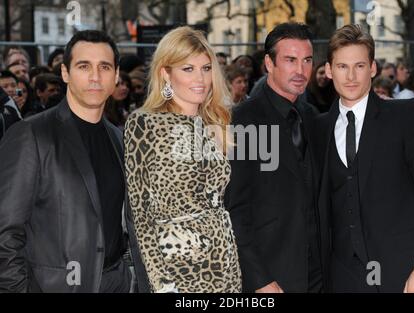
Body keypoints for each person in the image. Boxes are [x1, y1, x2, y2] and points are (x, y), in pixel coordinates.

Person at [0, 30, 149, 293]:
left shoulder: (120, 138)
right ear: (65, 73)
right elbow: (6, 232)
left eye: (104, 67)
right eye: (84, 66)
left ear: (115, 76)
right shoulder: (31, 134)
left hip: (117, 283)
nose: (95, 76)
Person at [316, 24, 414, 293]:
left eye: (360, 66)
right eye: (342, 66)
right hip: (344, 278)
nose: (351, 76)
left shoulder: (406, 115)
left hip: (408, 272)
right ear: (329, 70)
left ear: (373, 68)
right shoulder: (317, 128)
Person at [124, 26, 242, 293]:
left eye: (206, 68)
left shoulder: (214, 123)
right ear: (166, 73)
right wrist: (160, 282)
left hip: (223, 263)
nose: (200, 78)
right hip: (176, 269)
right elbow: (140, 215)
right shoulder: (145, 123)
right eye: (188, 69)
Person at [226, 22, 324, 293]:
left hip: (316, 275)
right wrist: (260, 280)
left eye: (306, 61)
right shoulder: (244, 121)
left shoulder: (311, 117)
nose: (301, 70)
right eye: (290, 60)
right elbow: (236, 210)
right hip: (271, 278)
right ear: (269, 63)